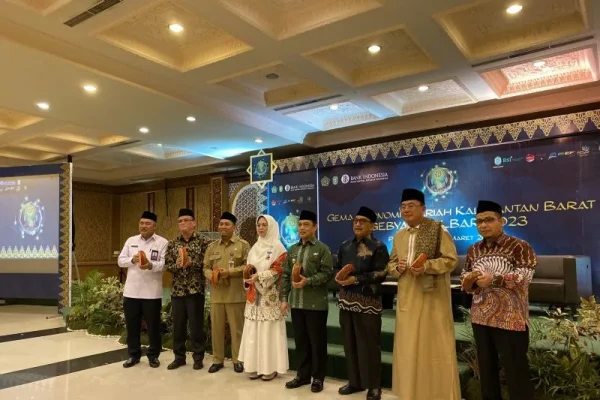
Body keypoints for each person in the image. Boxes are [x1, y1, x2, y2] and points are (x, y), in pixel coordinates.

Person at [387, 189, 461, 400]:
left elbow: (450, 260)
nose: (406, 210)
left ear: (423, 208)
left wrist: (427, 266)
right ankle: (410, 393)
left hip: (432, 298)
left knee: (433, 344)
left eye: (411, 205)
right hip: (407, 297)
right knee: (408, 345)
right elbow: (391, 263)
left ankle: (436, 393)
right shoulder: (399, 236)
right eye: (403, 207)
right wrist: (397, 268)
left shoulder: (438, 229)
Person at [461, 200, 537, 400]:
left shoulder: (519, 246)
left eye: (489, 220)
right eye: (479, 221)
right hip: (480, 317)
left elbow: (525, 277)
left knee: (516, 371)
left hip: (510, 318)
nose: (483, 225)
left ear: (501, 221)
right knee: (486, 371)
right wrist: (469, 280)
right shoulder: (473, 249)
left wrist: (494, 280)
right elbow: (465, 276)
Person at [335, 206, 389, 400]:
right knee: (350, 344)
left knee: (369, 346)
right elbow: (337, 268)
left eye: (362, 221)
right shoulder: (344, 246)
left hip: (368, 303)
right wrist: (339, 277)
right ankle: (355, 382)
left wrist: (356, 279)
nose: (357, 224)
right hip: (346, 302)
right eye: (356, 220)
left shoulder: (379, 247)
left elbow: (381, 273)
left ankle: (374, 386)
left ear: (372, 225)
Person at [280, 210, 334, 393]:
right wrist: (284, 299)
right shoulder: (292, 250)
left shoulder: (322, 249)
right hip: (296, 303)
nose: (302, 228)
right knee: (301, 342)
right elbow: (286, 275)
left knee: (317, 343)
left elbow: (327, 274)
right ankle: (302, 376)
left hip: (315, 304)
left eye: (306, 224)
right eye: (300, 224)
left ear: (315, 227)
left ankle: (318, 378)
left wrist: (308, 281)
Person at [238, 215, 289, 381]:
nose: (260, 228)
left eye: (264, 225)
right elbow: (248, 267)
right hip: (254, 297)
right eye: (258, 225)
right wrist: (248, 276)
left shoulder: (278, 247)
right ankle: (254, 366)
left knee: (268, 332)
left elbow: (278, 270)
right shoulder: (255, 247)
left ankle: (270, 368)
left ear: (271, 226)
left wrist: (259, 277)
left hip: (270, 296)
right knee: (253, 330)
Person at [118, 211, 168, 369]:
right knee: (132, 326)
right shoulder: (131, 240)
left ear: (155, 226)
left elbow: (164, 265)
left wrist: (150, 265)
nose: (143, 226)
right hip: (131, 292)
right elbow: (120, 261)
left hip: (151, 293)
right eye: (141, 223)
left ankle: (153, 356)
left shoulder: (162, 242)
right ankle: (133, 355)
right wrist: (131, 260)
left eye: (147, 223)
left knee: (153, 327)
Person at [165, 208, 212, 371]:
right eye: (180, 221)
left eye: (186, 220)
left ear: (194, 223)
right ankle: (179, 358)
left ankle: (198, 358)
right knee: (178, 327)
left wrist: (193, 263)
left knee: (196, 326)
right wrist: (176, 265)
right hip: (178, 291)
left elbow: (208, 265)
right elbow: (168, 265)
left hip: (195, 290)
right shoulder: (172, 243)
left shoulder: (204, 242)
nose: (183, 223)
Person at [203, 211, 250, 373]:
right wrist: (212, 275)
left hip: (235, 294)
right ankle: (217, 360)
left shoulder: (242, 245)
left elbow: (247, 267)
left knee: (237, 330)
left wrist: (229, 272)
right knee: (216, 329)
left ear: (234, 227)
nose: (223, 227)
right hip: (217, 295)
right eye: (221, 224)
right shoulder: (212, 247)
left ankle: (238, 360)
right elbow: (206, 267)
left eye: (226, 224)